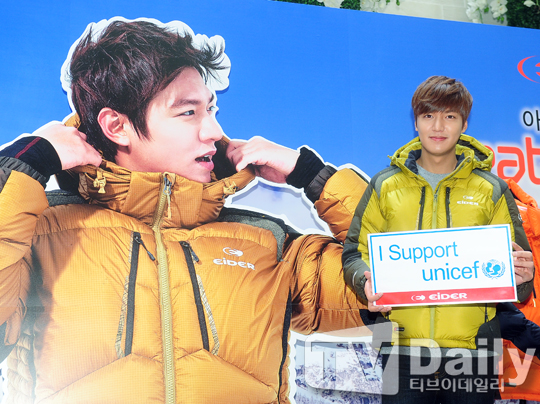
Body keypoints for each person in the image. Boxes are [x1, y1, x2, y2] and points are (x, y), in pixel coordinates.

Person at [0, 19, 370, 404]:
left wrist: (312, 175)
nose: (213, 131)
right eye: (188, 112)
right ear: (117, 126)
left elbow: (398, 284)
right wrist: (25, 163)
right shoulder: (37, 235)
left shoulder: (269, 246)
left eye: (211, 109)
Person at [342, 75, 535, 403]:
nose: (438, 126)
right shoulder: (385, 186)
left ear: (464, 124)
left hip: (473, 355)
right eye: (428, 115)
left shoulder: (491, 190)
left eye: (450, 116)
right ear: (416, 122)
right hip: (403, 353)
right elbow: (353, 254)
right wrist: (365, 281)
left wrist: (523, 277)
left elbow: (518, 279)